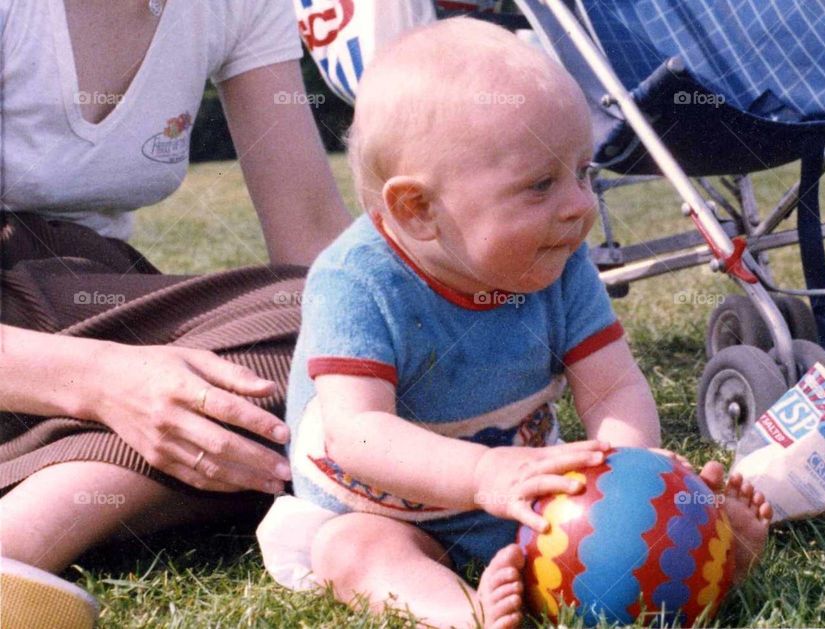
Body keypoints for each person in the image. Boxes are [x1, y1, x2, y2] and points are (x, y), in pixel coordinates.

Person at [265, 17, 771, 629]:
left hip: (526, 495)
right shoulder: (356, 281)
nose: (582, 204)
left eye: (584, 172)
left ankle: (704, 553)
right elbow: (359, 433)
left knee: (627, 536)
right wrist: (481, 475)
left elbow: (610, 385)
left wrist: (631, 482)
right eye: (541, 185)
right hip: (383, 509)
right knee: (355, 553)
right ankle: (463, 612)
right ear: (418, 209)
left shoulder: (558, 263)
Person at [0, 0, 351, 626]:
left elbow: (313, 246)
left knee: (331, 344)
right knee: (295, 424)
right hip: (25, 322)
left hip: (84, 295)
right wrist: (107, 381)